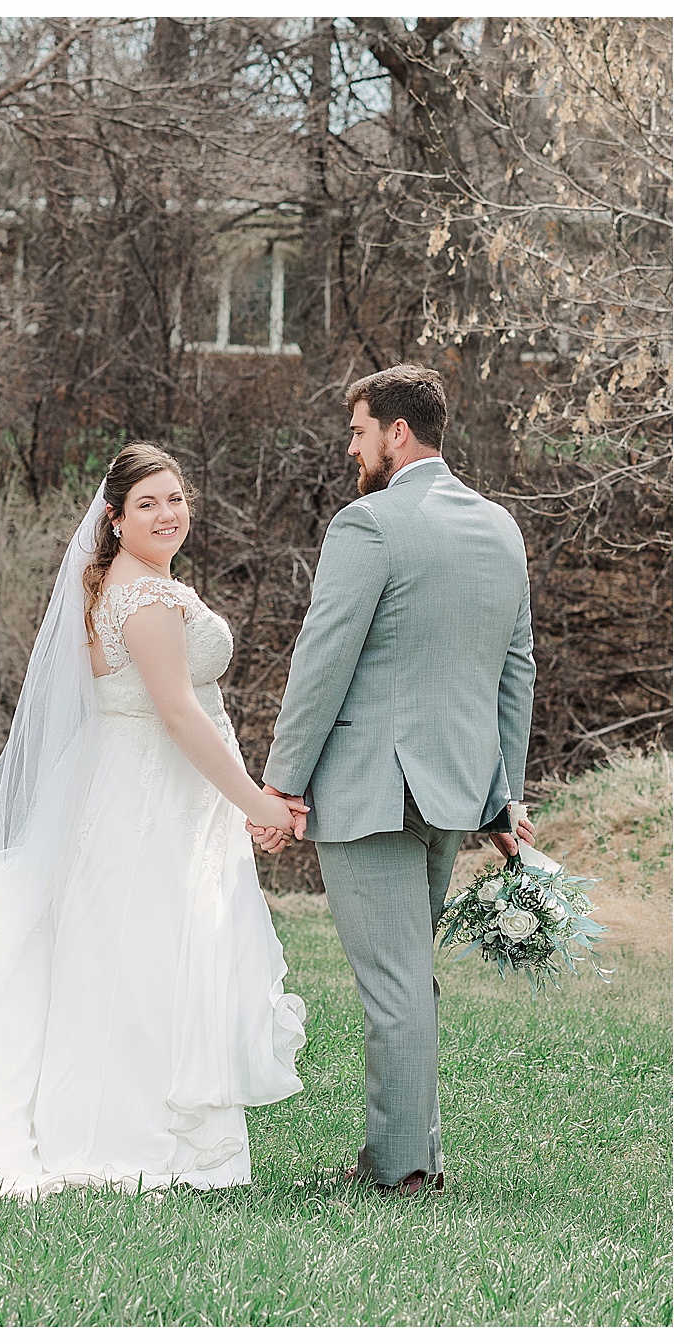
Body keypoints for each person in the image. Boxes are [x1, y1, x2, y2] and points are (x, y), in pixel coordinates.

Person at [0, 441, 306, 1201]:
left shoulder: (122, 585)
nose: (168, 514)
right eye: (147, 503)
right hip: (148, 796)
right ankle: (125, 1137)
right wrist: (257, 803)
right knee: (143, 955)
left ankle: (108, 1122)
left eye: (175, 498)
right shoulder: (147, 598)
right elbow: (177, 713)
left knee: (110, 951)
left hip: (129, 789)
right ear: (115, 518)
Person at [254, 363, 535, 1196]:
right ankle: (409, 1154)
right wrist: (504, 795)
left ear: (396, 434)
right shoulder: (500, 529)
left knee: (396, 983)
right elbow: (515, 671)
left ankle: (405, 1170)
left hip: (372, 791)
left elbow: (322, 662)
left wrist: (281, 785)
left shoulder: (369, 525)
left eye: (358, 431)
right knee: (410, 976)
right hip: (454, 789)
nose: (353, 449)